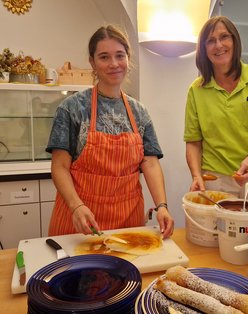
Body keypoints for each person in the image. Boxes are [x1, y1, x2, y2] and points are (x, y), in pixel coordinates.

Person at [46, 25, 174, 238]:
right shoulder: (72, 108)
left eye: (119, 56)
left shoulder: (139, 112)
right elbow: (59, 166)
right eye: (104, 57)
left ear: (128, 58)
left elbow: (150, 162)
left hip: (127, 220)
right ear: (92, 62)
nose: (114, 64)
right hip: (80, 219)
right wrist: (76, 207)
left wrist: (162, 205)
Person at [184, 16, 248, 211]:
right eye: (211, 41)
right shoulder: (197, 89)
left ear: (235, 41)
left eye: (224, 37)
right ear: (204, 49)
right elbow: (193, 141)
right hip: (215, 178)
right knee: (216, 236)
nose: (218, 45)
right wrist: (196, 176)